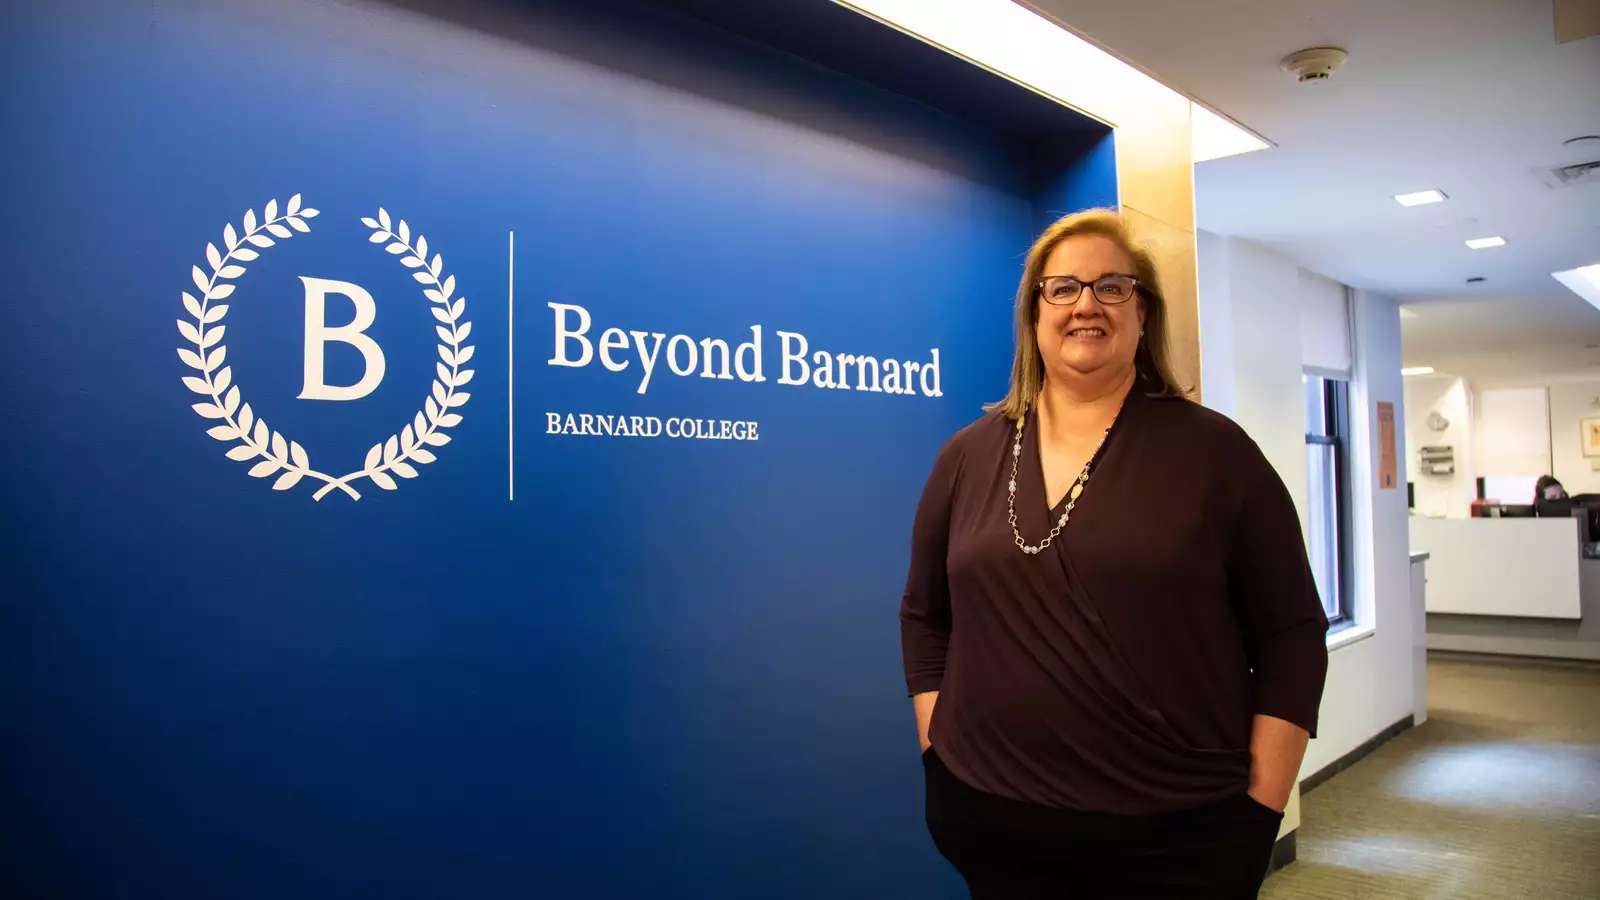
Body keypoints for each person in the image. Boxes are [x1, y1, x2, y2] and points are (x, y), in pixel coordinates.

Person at [899, 208, 1329, 898]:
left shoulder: (1216, 455)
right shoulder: (966, 457)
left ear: (1142, 312)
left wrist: (1260, 806)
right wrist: (938, 751)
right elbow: (925, 615)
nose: (1085, 305)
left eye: (1111, 287)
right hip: (992, 819)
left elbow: (1293, 636)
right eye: (1062, 288)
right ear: (1034, 313)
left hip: (1178, 837)